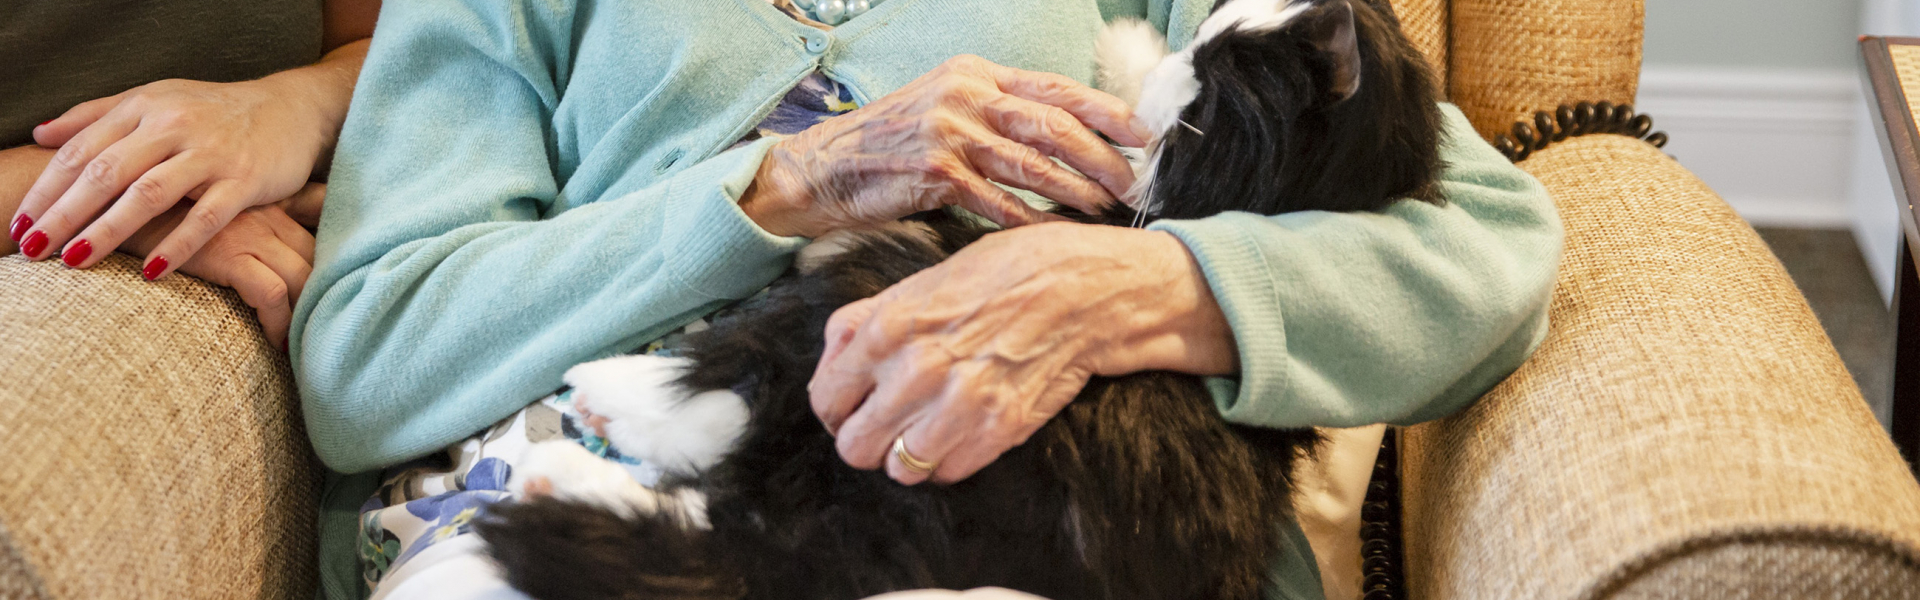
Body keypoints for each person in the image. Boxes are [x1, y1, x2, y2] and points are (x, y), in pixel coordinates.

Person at [297, 0, 1562, 599]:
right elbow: (368, 355)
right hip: (594, 490)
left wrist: (1143, 283)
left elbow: (1487, 248)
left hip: (1053, 532)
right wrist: (784, 185)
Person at [1, 1, 380, 349]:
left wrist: (300, 103)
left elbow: (379, 38)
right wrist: (136, 191)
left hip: (335, 211)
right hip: (47, 254)